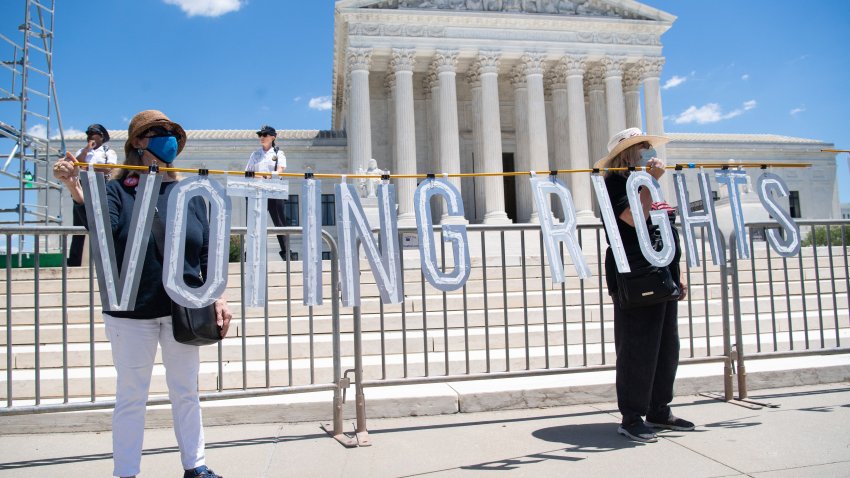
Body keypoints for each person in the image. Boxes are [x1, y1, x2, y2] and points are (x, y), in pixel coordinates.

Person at [53, 110, 232, 478]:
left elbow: (205, 251)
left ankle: (195, 466)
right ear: (137, 142)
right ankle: (126, 472)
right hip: (131, 311)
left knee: (186, 391)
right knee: (132, 395)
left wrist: (218, 295)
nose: (166, 138)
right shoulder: (115, 189)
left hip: (182, 311)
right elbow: (105, 228)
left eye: (171, 133)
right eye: (157, 132)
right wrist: (75, 187)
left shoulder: (189, 194)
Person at [594, 127, 694, 443]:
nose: (649, 151)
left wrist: (676, 271)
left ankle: (659, 409)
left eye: (649, 146)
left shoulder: (642, 182)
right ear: (628, 153)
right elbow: (631, 217)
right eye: (643, 147)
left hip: (661, 270)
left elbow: (661, 224)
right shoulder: (613, 183)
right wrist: (651, 182)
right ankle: (632, 416)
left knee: (667, 345)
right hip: (634, 275)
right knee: (637, 347)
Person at [67, 123, 118, 266]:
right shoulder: (83, 151)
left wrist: (87, 167)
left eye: (93, 134)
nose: (89, 136)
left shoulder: (108, 151)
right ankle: (75, 261)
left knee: (104, 224)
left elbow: (108, 169)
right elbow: (77, 164)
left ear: (101, 136)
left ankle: (107, 260)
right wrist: (86, 151)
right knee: (79, 223)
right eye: (88, 134)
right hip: (82, 187)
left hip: (101, 186)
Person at [245, 125, 289, 260]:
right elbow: (248, 172)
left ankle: (286, 252)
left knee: (279, 223)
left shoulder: (278, 153)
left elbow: (281, 169)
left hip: (274, 190)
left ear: (273, 137)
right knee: (255, 223)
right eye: (260, 135)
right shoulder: (255, 154)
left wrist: (267, 176)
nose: (262, 137)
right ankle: (252, 252)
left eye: (265, 135)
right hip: (258, 190)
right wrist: (261, 176)